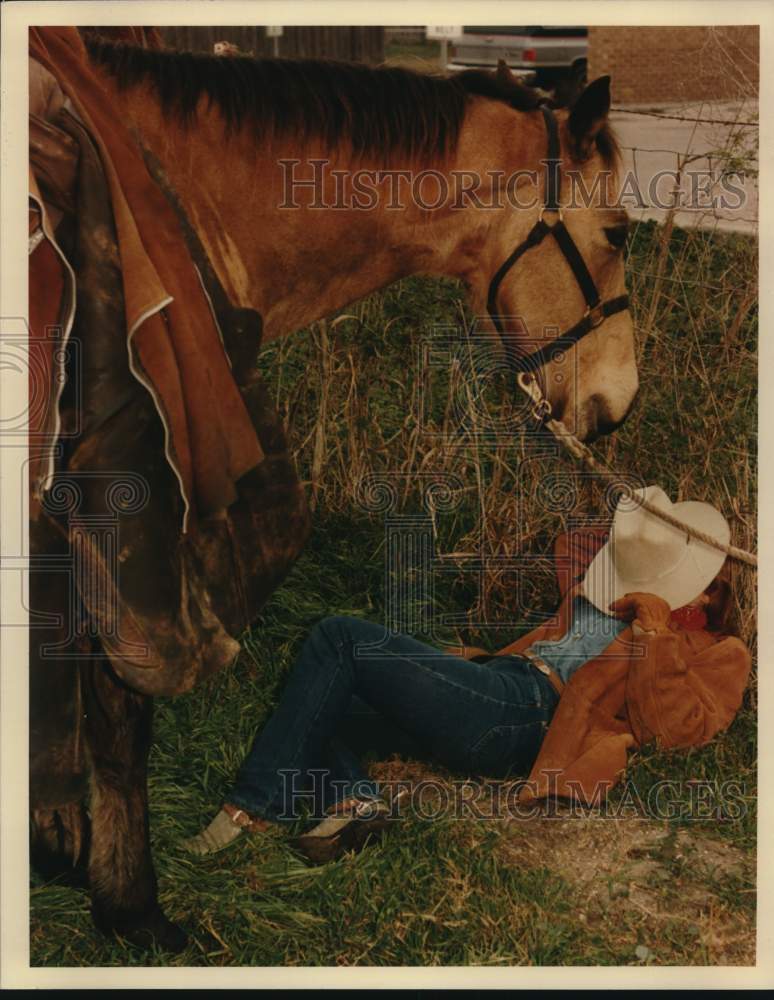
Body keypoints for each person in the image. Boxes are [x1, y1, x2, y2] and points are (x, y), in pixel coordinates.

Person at [183, 484, 752, 861]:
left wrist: (656, 631)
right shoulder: (612, 586)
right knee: (317, 699)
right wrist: (639, 550)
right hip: (504, 684)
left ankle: (252, 808)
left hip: (528, 711)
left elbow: (672, 728)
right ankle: (356, 801)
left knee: (339, 638)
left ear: (710, 581)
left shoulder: (718, 651)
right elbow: (575, 545)